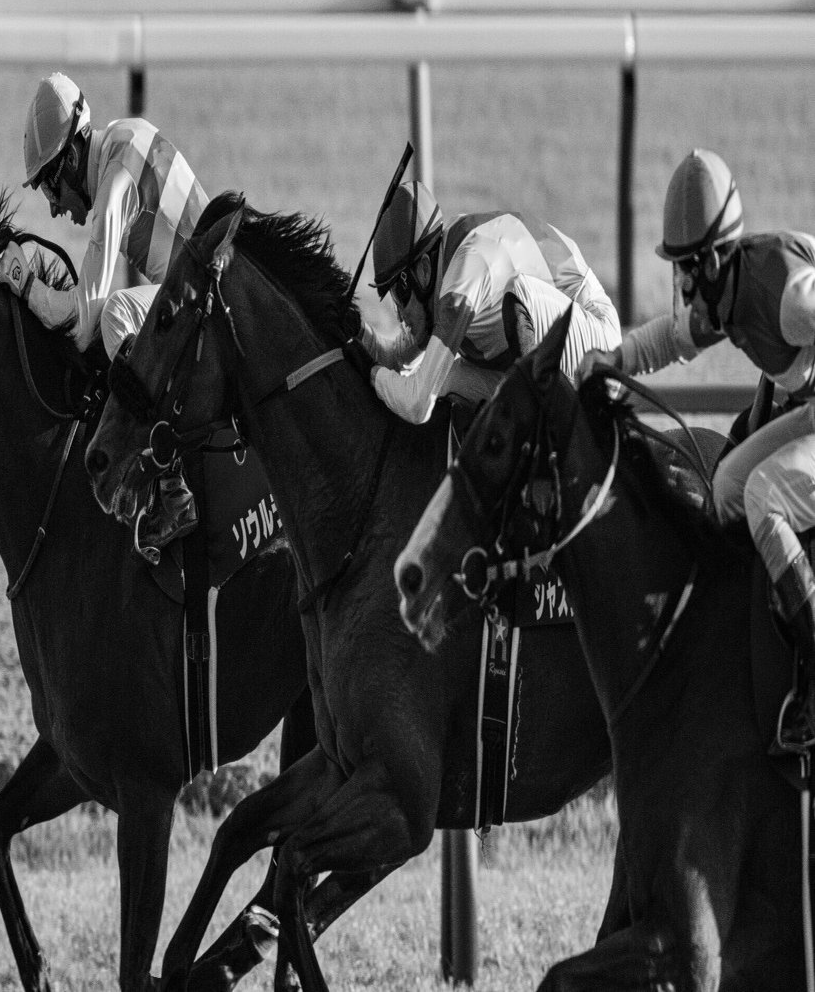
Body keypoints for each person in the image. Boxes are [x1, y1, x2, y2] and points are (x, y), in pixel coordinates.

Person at [577, 147, 815, 748]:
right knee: (728, 484)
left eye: (685, 267)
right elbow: (671, 340)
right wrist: (612, 360)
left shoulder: (789, 299)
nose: (680, 282)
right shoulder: (725, 290)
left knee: (764, 495)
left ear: (712, 259)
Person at [0, 71, 209, 559]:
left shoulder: (115, 183)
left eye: (51, 188)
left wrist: (25, 284)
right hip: (202, 289)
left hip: (204, 302)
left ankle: (171, 488)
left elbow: (83, 321)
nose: (54, 209)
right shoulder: (123, 138)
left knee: (116, 315)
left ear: (71, 159)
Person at [348, 180, 621, 425]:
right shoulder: (439, 281)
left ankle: (539, 432)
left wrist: (371, 373)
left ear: (424, 271)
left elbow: (417, 405)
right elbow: (394, 360)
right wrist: (353, 328)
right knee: (447, 381)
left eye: (400, 295)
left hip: (597, 352)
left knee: (518, 291)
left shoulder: (466, 273)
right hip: (554, 358)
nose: (400, 314)